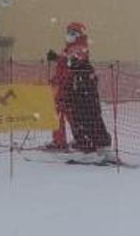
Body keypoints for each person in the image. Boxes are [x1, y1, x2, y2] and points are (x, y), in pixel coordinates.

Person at [46, 22, 113, 158]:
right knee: (72, 115)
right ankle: (77, 141)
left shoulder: (79, 47)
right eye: (68, 32)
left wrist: (68, 63)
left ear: (79, 35)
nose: (69, 35)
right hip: (69, 87)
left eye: (73, 33)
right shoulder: (70, 47)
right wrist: (57, 59)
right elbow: (66, 64)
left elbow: (74, 62)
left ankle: (82, 143)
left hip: (74, 89)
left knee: (78, 116)